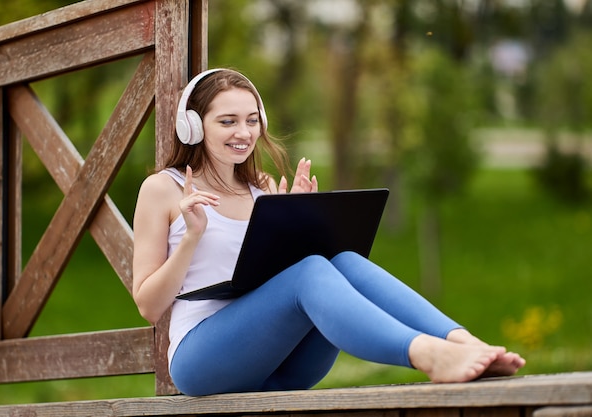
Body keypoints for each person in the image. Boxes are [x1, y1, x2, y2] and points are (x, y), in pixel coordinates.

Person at [132, 68, 525, 397]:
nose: (244, 133)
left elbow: (274, 284)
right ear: (193, 126)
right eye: (228, 121)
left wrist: (300, 223)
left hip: (283, 368)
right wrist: (191, 238)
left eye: (252, 120)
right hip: (203, 361)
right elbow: (149, 306)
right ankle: (428, 355)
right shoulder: (163, 189)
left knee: (343, 261)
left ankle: (462, 342)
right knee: (311, 272)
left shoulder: (263, 188)